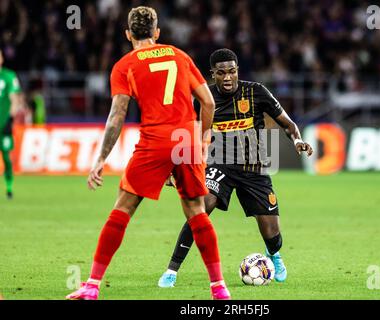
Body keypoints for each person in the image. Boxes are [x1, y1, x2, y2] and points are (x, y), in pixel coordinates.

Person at [66, 6, 230, 300]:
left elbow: (117, 115)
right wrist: (203, 140)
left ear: (128, 34)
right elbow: (208, 102)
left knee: (123, 208)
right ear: (157, 32)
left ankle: (91, 286)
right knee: (196, 211)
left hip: (154, 140)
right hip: (185, 139)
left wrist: (101, 159)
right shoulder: (180, 56)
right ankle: (219, 288)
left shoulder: (124, 65)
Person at [158, 48, 313, 288]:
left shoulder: (256, 92)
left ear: (237, 71)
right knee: (201, 208)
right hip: (219, 164)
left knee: (272, 233)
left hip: (254, 167)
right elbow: (185, 133)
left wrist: (298, 140)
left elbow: (288, 124)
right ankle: (171, 270)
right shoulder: (203, 97)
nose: (228, 77)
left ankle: (274, 255)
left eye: (232, 71)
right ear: (213, 74)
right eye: (222, 73)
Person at [0, 49, 23, 199]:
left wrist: (11, 118)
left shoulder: (9, 76)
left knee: (7, 158)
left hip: (3, 125)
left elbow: (14, 97)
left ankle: (9, 188)